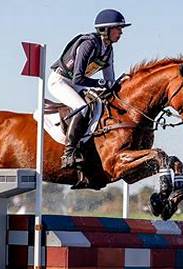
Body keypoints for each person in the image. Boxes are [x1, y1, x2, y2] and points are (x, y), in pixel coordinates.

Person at [48, 9, 131, 169]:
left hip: (77, 82)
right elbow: (78, 78)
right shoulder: (89, 44)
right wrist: (103, 84)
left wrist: (118, 86)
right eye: (118, 28)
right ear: (106, 29)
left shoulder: (108, 49)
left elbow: (109, 80)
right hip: (60, 81)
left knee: (101, 103)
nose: (121, 32)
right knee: (81, 108)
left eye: (121, 29)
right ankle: (69, 152)